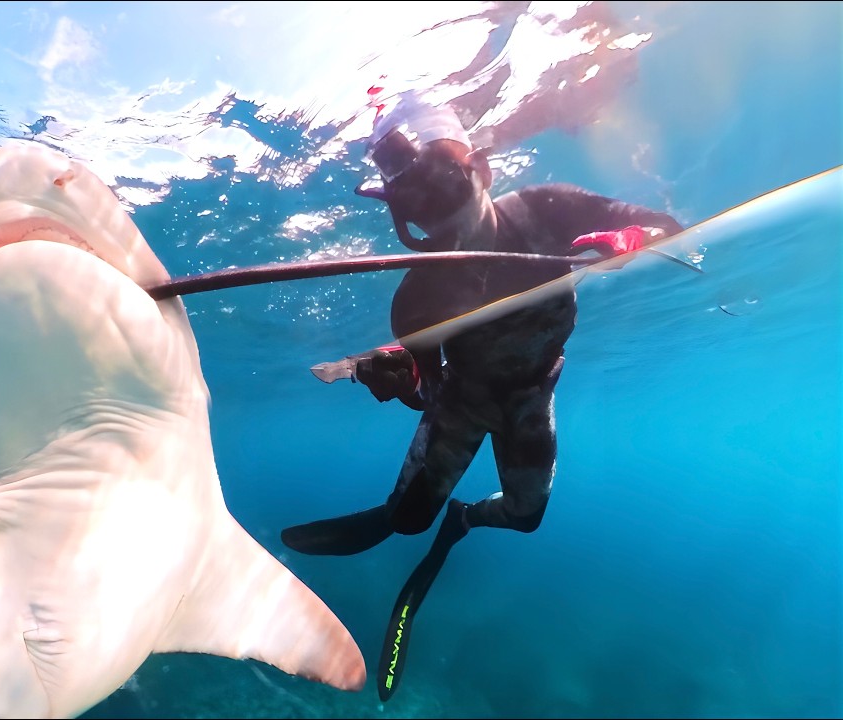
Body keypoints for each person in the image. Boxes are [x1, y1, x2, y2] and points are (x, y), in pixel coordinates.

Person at [282, 91, 687, 560]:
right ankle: (398, 513)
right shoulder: (416, 301)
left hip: (532, 396)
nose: (447, 226)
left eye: (449, 194)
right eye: (421, 211)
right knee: (408, 523)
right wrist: (405, 382)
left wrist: (637, 238)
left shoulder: (547, 209)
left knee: (524, 516)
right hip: (463, 400)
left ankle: (466, 517)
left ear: (484, 173)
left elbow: (662, 225)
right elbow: (429, 395)